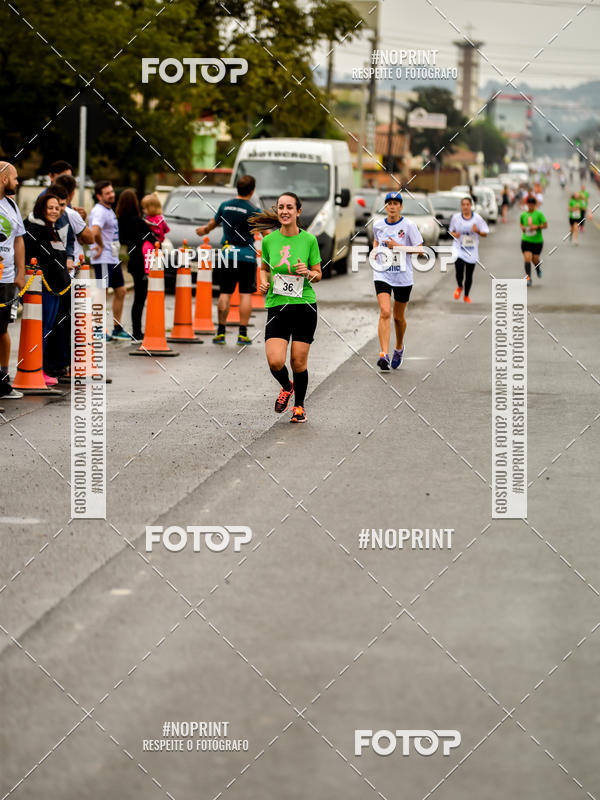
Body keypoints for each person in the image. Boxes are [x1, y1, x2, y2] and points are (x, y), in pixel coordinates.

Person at [250, 192, 321, 424]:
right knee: (275, 361)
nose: (284, 211)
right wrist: (263, 281)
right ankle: (286, 386)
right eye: (281, 207)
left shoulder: (309, 240)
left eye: (289, 207)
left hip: (304, 306)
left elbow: (318, 274)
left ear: (298, 212)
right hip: (277, 306)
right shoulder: (269, 240)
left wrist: (308, 273)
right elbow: (264, 268)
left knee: (298, 362)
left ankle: (299, 406)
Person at [197, 175, 260, 346]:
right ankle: (242, 334)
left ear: (237, 189)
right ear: (252, 190)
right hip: (247, 255)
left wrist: (203, 231)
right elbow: (266, 233)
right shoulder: (254, 210)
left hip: (227, 255)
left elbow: (211, 224)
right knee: (245, 294)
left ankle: (221, 333)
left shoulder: (225, 205)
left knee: (225, 293)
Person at [369, 191, 423, 371]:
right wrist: (375, 251)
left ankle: (399, 347)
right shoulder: (377, 225)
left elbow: (420, 250)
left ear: (401, 207)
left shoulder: (408, 226)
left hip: (403, 276)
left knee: (398, 317)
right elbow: (376, 242)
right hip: (382, 273)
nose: (392, 206)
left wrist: (398, 246)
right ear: (385, 206)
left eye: (395, 203)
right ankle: (383, 354)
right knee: (385, 311)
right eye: (389, 203)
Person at [24, 192, 73, 385]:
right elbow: (33, 260)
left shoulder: (51, 229)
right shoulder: (33, 230)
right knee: (40, 329)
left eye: (57, 207)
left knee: (48, 330)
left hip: (56, 290)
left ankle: (42, 368)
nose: (55, 211)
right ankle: (36, 368)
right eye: (50, 208)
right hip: (42, 289)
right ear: (41, 208)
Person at [89, 180, 128, 339]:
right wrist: (99, 245)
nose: (111, 195)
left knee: (121, 291)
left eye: (112, 191)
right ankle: (97, 330)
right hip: (103, 259)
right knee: (101, 292)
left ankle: (117, 328)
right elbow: (95, 231)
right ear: (99, 196)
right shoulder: (99, 211)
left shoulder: (108, 210)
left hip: (112, 257)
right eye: (107, 193)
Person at [117, 189, 158, 341]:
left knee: (137, 297)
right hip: (143, 261)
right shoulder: (138, 222)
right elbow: (154, 240)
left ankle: (137, 330)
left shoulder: (120, 221)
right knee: (141, 297)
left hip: (133, 260)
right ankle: (137, 331)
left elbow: (123, 240)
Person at [0, 161, 26, 399]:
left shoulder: (11, 205)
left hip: (6, 279)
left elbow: (18, 240)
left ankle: (2, 379)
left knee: (3, 328)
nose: (17, 182)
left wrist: (20, 272)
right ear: (3, 178)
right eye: (15, 178)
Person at [449, 196, 489, 303]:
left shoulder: (478, 218)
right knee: (459, 268)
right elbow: (450, 231)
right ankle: (459, 286)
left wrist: (478, 231)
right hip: (459, 248)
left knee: (469, 274)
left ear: (471, 206)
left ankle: (466, 295)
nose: (465, 207)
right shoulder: (456, 217)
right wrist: (454, 234)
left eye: (468, 204)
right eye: (463, 205)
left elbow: (485, 232)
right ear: (461, 206)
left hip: (472, 249)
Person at [519, 195, 547, 285]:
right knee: (527, 258)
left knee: (535, 259)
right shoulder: (523, 214)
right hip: (526, 240)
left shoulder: (539, 214)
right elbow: (521, 224)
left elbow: (545, 225)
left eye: (532, 204)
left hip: (537, 241)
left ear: (535, 205)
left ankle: (538, 268)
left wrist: (537, 227)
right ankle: (528, 278)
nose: (530, 206)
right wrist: (523, 228)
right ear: (527, 204)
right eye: (529, 204)